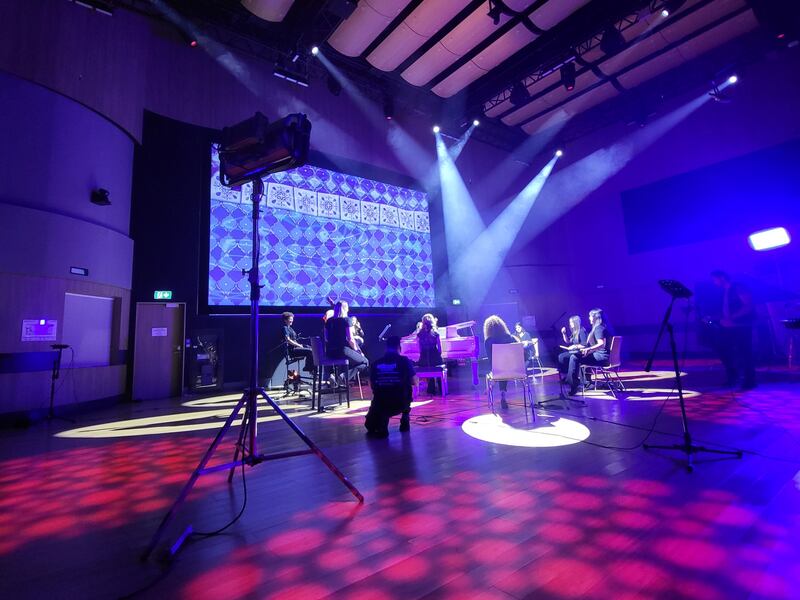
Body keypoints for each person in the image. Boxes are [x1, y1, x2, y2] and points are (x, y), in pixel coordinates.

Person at [365, 336, 417, 437]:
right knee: (408, 386)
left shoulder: (376, 363)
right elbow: (414, 381)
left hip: (380, 402)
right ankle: (405, 416)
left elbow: (372, 385)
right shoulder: (404, 361)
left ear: (386, 347)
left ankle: (382, 420)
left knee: (370, 427)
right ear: (399, 347)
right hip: (400, 402)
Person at [711, 270, 756, 389]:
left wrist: (732, 317)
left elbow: (748, 306)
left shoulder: (738, 287)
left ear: (722, 278)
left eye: (715, 279)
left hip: (742, 325)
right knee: (722, 349)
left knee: (744, 352)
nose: (714, 282)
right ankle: (733, 377)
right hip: (729, 325)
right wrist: (720, 318)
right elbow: (726, 309)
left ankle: (749, 381)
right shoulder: (723, 291)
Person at [565, 309, 610, 396]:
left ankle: (573, 384)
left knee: (574, 357)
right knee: (579, 356)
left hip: (601, 357)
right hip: (603, 356)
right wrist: (589, 350)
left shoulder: (598, 328)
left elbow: (601, 344)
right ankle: (581, 381)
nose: (589, 318)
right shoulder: (602, 326)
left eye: (590, 316)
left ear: (595, 317)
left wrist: (589, 349)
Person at [325, 301, 369, 382]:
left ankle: (335, 376)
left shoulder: (329, 321)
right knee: (365, 362)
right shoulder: (346, 320)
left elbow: (326, 338)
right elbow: (350, 339)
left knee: (353, 359)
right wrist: (358, 351)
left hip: (329, 353)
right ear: (346, 309)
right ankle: (344, 377)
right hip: (342, 351)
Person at [484, 315, 517, 409]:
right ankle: (502, 391)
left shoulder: (488, 341)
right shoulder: (510, 337)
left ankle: (493, 385)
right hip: (515, 370)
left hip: (497, 370)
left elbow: (491, 360)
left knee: (499, 369)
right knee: (505, 367)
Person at [417, 313, 443, 394]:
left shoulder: (419, 334)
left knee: (428, 365)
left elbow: (419, 348)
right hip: (435, 357)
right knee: (438, 364)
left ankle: (431, 388)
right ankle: (441, 388)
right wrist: (439, 356)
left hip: (424, 359)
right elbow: (440, 348)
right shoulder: (436, 333)